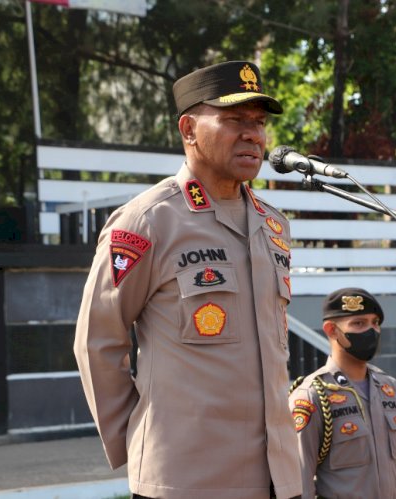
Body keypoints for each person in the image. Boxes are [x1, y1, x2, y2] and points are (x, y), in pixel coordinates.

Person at [74, 60, 301, 499]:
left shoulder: (274, 225)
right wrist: (143, 438)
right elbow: (98, 340)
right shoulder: (148, 221)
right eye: (234, 119)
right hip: (187, 477)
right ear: (189, 128)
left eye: (258, 122)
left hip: (278, 476)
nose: (253, 134)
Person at [288, 288, 396, 498]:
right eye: (359, 323)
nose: (371, 331)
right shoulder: (312, 396)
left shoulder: (393, 391)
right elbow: (299, 481)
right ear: (331, 330)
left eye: (375, 323)